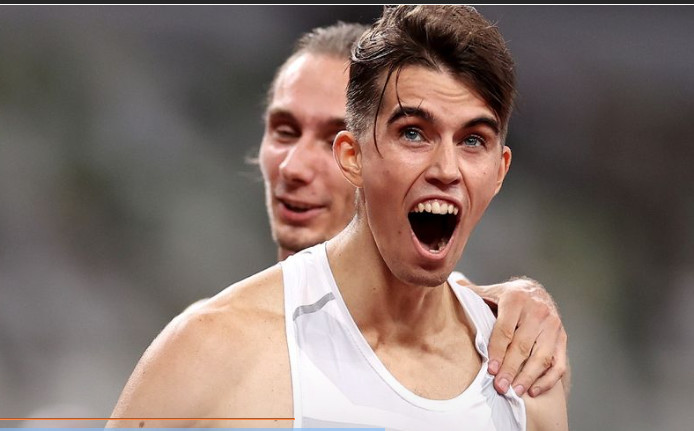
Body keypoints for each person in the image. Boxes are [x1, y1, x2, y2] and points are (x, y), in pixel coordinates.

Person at [108, 6, 568, 429]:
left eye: (472, 140)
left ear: (500, 170)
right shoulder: (211, 351)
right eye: (413, 133)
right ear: (353, 156)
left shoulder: (524, 370)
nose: (446, 169)